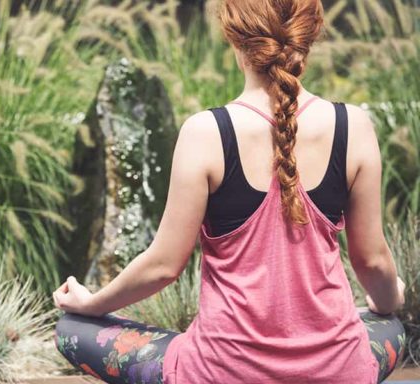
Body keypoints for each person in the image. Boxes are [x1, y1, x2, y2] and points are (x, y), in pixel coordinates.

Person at [51, 0, 407, 383]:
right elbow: (371, 261)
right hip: (338, 372)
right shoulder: (353, 125)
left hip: (222, 372)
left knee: (71, 330)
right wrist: (389, 300)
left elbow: (162, 266)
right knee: (391, 326)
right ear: (310, 35)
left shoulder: (205, 132)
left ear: (235, 39)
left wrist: (91, 302)